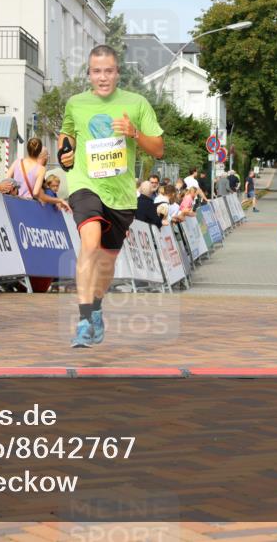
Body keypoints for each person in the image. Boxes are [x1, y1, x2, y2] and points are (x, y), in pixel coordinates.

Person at [59, 44, 164, 348]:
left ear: (118, 73)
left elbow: (158, 149)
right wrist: (64, 151)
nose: (102, 77)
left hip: (120, 195)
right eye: (96, 71)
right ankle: (82, 319)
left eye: (108, 71)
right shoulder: (76, 103)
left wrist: (134, 133)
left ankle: (95, 308)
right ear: (89, 74)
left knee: (106, 265)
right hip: (85, 183)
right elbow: (67, 133)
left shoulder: (137, 103)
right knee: (89, 241)